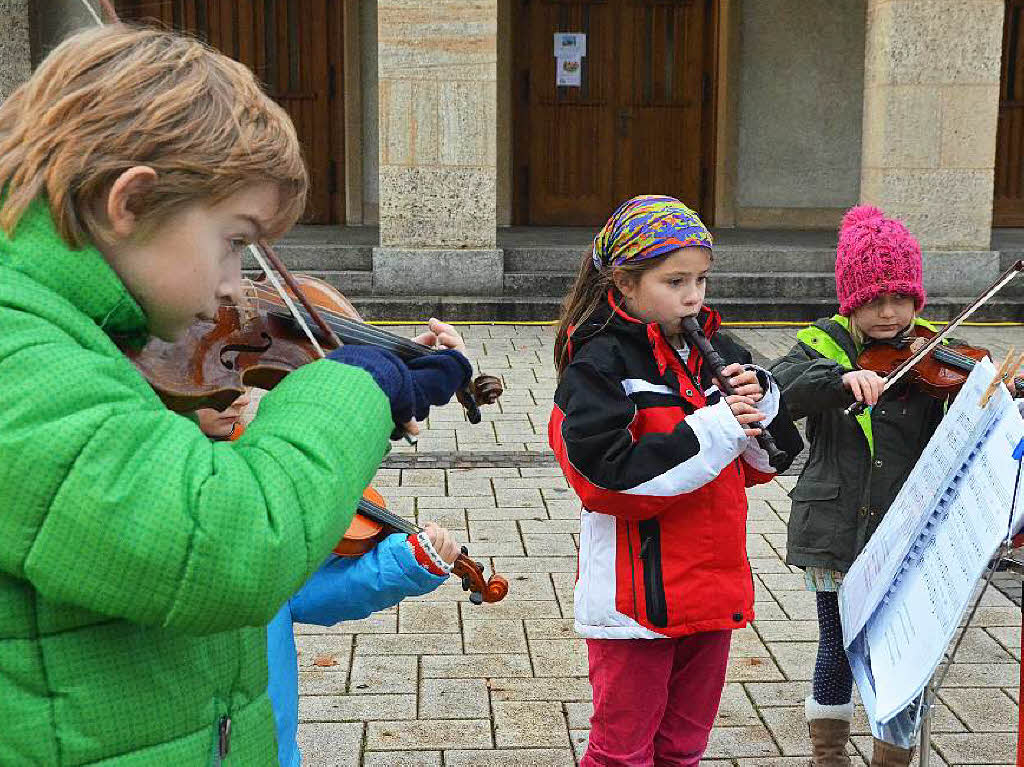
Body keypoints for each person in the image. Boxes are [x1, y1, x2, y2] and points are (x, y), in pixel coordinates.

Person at [0, 24, 470, 764]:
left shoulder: (79, 336)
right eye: (232, 240)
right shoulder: (17, 349)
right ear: (131, 201)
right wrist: (354, 384)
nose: (233, 287)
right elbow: (224, 543)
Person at [548, 195, 802, 766]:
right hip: (637, 602)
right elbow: (607, 481)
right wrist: (714, 425)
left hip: (713, 590)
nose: (694, 297)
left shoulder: (716, 350)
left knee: (684, 748)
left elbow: (773, 462)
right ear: (626, 283)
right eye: (675, 281)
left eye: (702, 280)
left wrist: (762, 406)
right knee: (622, 753)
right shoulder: (597, 364)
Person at [197, 389, 460, 767]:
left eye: (247, 376)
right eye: (218, 381)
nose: (240, 397)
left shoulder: (258, 465)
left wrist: (404, 562)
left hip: (270, 746)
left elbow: (297, 591)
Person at [769, 204, 940, 767]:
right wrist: (841, 379)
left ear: (918, 298)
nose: (890, 314)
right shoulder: (821, 346)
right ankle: (828, 757)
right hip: (835, 528)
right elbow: (783, 390)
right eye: (874, 301)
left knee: (902, 653)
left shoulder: (933, 355)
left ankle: (893, 757)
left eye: (901, 299)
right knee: (837, 649)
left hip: (905, 525)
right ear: (851, 302)